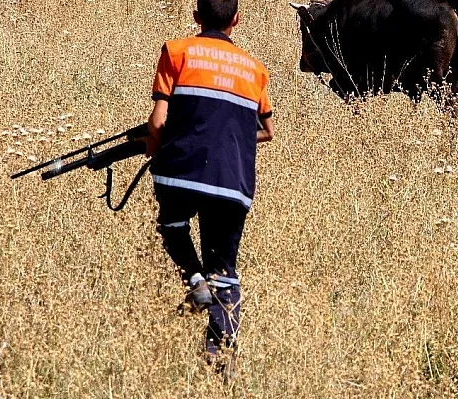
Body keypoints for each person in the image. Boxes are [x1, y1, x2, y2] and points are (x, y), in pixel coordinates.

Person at [143, 0, 274, 375]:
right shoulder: (255, 69)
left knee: (172, 225)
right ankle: (222, 351)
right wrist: (226, 135)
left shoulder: (177, 51)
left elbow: (158, 121)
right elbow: (267, 131)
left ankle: (195, 280)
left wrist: (155, 145)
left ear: (196, 17)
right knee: (226, 268)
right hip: (233, 181)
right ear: (237, 19)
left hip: (180, 172)